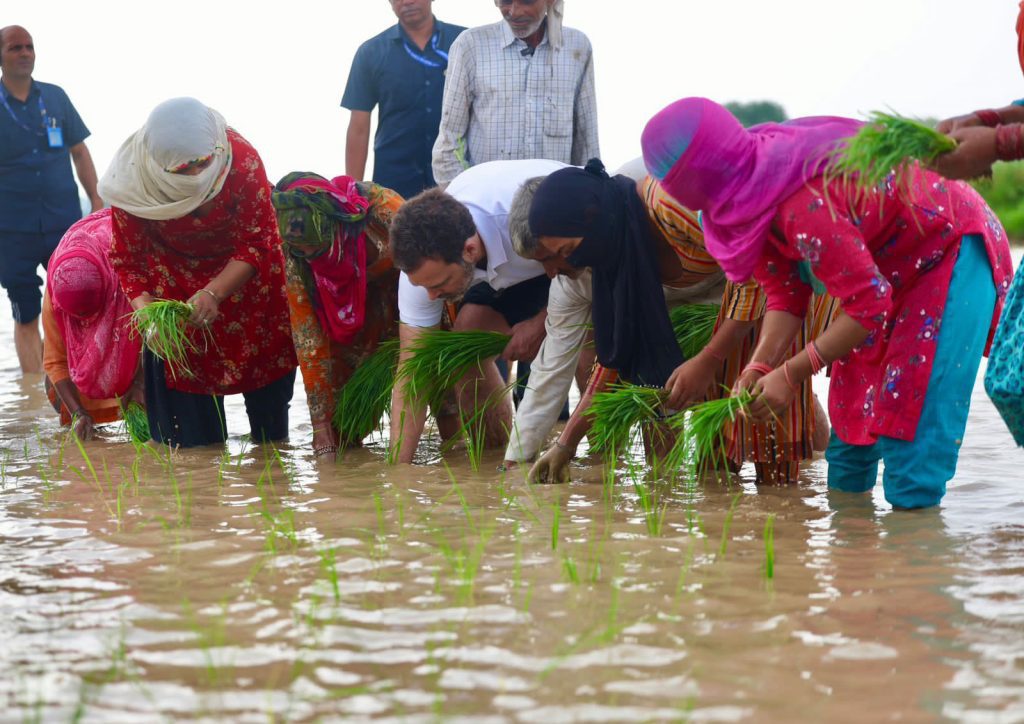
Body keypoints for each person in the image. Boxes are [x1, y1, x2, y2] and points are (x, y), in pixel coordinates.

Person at [641, 97, 1014, 509]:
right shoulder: (743, 209)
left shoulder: (802, 201)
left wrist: (794, 372)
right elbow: (785, 295)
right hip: (880, 267)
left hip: (948, 246)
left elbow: (869, 306)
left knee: (912, 433)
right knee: (850, 439)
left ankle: (916, 555)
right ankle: (851, 563)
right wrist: (760, 367)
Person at [519, 160, 836, 484]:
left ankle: (806, 510)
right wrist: (566, 443)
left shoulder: (671, 206)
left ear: (590, 218)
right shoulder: (614, 256)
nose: (569, 263)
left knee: (773, 449)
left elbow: (755, 277)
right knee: (716, 458)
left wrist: (708, 360)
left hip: (788, 278)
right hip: (733, 301)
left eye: (569, 250)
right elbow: (616, 353)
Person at [99, 97, 298, 448]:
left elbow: (259, 242)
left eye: (202, 163)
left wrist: (213, 292)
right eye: (181, 169)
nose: (196, 175)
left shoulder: (241, 160)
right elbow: (128, 260)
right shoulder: (134, 181)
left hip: (250, 293)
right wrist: (150, 318)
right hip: (177, 307)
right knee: (195, 451)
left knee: (272, 445)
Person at [388, 158, 564, 463]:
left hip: (570, 254)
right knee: (463, 346)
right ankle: (495, 464)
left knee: (590, 350)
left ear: (469, 250)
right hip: (508, 268)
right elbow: (412, 375)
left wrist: (541, 324)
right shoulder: (419, 274)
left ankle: (602, 469)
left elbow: (594, 281)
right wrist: (397, 473)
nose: (431, 296)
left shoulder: (526, 216)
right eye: (424, 287)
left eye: (439, 284)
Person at [272, 172, 404, 456]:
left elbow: (429, 268)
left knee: (443, 392)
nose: (310, 255)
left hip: (407, 297)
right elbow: (308, 338)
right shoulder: (295, 254)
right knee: (342, 422)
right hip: (346, 315)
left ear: (334, 226)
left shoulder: (385, 212)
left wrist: (413, 334)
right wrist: (320, 428)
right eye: (301, 250)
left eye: (316, 246)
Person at [0, 25, 102, 374]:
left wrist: (97, 202)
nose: (25, 52)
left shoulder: (55, 97)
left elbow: (79, 151)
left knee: (76, 303)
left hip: (63, 222)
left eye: (29, 46)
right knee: (25, 310)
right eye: (15, 47)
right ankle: (35, 400)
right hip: (11, 229)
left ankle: (79, 386)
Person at [431, 0, 598, 185]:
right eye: (505, 1)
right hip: (489, 205)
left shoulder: (577, 47)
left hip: (553, 206)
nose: (514, 11)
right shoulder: (470, 46)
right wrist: (468, 202)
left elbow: (587, 146)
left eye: (526, 1)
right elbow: (448, 143)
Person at [341, 0, 465, 199]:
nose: (407, 2)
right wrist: (350, 196)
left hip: (457, 178)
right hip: (394, 183)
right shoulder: (371, 52)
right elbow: (358, 127)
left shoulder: (463, 43)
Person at [42, 209, 143, 440]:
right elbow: (55, 361)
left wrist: (139, 381)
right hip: (82, 373)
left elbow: (153, 334)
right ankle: (87, 420)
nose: (88, 325)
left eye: (92, 316)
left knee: (153, 396)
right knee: (57, 384)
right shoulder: (57, 289)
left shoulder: (127, 274)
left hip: (124, 306)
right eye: (79, 320)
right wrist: (78, 413)